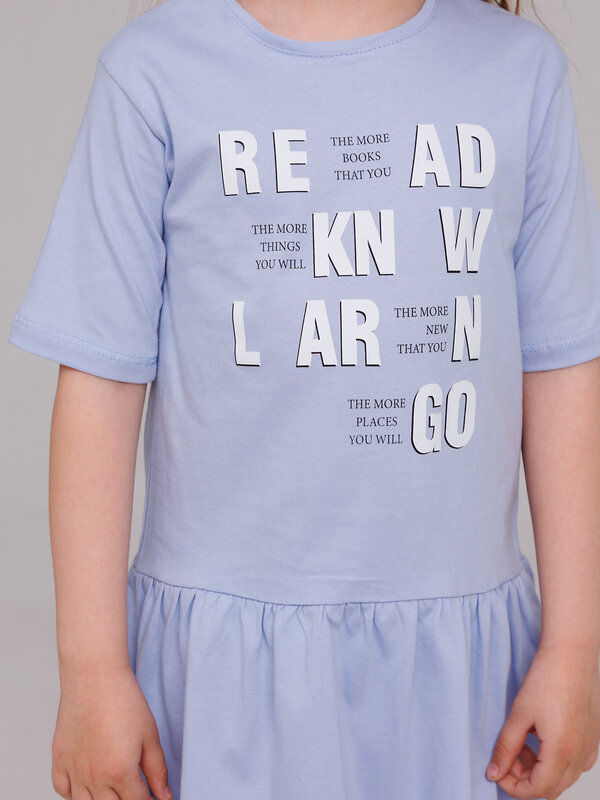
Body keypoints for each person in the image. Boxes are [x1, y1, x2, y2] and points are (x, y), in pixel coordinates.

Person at [8, 0, 600, 797]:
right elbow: (101, 377)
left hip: (455, 683)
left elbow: (561, 367)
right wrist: (92, 669)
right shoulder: (154, 71)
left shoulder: (518, 71)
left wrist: (575, 646)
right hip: (222, 678)